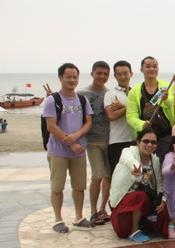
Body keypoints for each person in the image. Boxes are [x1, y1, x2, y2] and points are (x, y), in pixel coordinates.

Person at [43, 63, 95, 233]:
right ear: (61, 78)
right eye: (68, 77)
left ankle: (79, 217)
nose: (72, 80)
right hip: (58, 151)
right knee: (57, 187)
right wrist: (70, 142)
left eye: (75, 77)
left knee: (79, 186)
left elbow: (88, 122)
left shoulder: (82, 100)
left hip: (79, 151)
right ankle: (58, 220)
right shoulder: (52, 100)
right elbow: (51, 126)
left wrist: (77, 136)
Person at [109, 127, 170, 242]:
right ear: (138, 142)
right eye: (146, 141)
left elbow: (158, 182)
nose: (149, 145)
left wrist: (162, 199)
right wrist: (136, 168)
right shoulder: (128, 151)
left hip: (145, 196)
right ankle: (134, 230)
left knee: (162, 210)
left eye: (153, 142)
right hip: (124, 198)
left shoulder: (155, 160)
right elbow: (129, 160)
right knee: (140, 197)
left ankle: (144, 224)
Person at [78, 61, 112, 226]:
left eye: (105, 74)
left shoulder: (110, 93)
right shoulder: (82, 94)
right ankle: (93, 211)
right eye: (99, 73)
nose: (102, 76)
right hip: (92, 141)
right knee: (97, 175)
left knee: (108, 176)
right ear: (92, 74)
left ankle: (103, 208)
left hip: (110, 139)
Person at [126, 56, 175, 162]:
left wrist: (166, 99)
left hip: (165, 135)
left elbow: (170, 103)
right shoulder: (134, 91)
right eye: (148, 66)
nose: (152, 69)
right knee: (146, 166)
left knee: (164, 164)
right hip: (145, 138)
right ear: (141, 69)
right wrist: (142, 124)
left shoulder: (166, 86)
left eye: (154, 66)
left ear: (158, 69)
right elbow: (131, 116)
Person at [104, 60, 134, 175]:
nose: (122, 77)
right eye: (119, 74)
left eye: (125, 73)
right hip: (117, 141)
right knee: (117, 178)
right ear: (115, 76)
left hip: (135, 141)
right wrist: (128, 108)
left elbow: (142, 112)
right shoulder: (110, 94)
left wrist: (121, 107)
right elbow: (111, 116)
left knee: (135, 177)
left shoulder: (136, 93)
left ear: (131, 73)